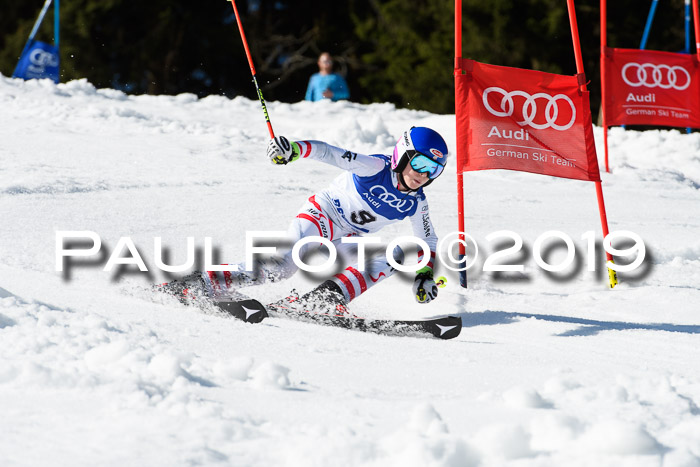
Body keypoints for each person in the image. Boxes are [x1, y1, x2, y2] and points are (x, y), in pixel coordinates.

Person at [159, 127, 449, 312]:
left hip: (346, 239)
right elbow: (328, 152)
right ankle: (201, 281)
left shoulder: (416, 203)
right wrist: (294, 150)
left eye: (433, 170)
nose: (423, 174)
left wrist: (424, 275)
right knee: (281, 268)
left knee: (395, 256)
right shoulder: (374, 167)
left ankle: (327, 299)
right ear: (402, 155)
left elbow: (429, 240)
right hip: (321, 216)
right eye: (420, 163)